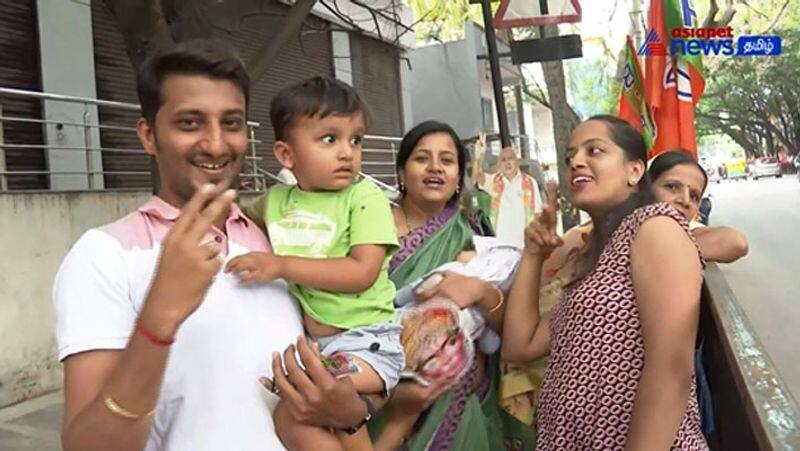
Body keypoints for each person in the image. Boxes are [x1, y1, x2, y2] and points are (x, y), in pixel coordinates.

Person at [54, 40, 373, 451]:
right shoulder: (104, 255)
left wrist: (351, 412)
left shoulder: (277, 238)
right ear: (149, 136)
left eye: (232, 123)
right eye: (190, 123)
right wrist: (158, 319)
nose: (217, 144)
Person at [503, 115, 707, 450]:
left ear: (634, 171)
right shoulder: (587, 256)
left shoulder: (655, 228)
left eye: (595, 150)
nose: (577, 162)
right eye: (570, 157)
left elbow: (672, 371)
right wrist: (532, 254)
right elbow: (520, 346)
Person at [225, 76, 404, 450]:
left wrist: (281, 265)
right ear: (287, 155)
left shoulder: (365, 197)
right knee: (321, 420)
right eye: (330, 139)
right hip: (321, 347)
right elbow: (236, 218)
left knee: (297, 411)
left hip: (369, 341)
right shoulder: (275, 202)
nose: (347, 152)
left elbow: (362, 272)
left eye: (356, 140)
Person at [367, 120, 536, 451]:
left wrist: (480, 292)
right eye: (422, 158)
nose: (435, 168)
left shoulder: (474, 233)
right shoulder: (367, 222)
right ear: (401, 171)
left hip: (453, 396)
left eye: (446, 160)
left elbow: (507, 327)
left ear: (459, 176)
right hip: (375, 382)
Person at [649, 150, 748, 263]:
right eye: (672, 187)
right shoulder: (626, 228)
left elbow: (737, 243)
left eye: (694, 196)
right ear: (646, 188)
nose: (685, 201)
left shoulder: (688, 233)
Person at [472, 133, 543, 248]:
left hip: (524, 246)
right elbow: (476, 176)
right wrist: (478, 157)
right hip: (501, 246)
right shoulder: (494, 181)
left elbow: (538, 214)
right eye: (503, 160)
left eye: (511, 158)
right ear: (499, 164)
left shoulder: (530, 183)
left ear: (517, 161)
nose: (508, 162)